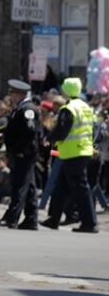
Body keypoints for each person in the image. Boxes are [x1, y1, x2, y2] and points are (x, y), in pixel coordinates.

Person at [41, 77, 99, 233]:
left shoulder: (69, 109)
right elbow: (93, 128)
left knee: (81, 188)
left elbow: (62, 129)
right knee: (62, 186)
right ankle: (54, 219)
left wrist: (49, 138)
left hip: (73, 152)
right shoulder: (85, 107)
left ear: (66, 91)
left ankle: (90, 223)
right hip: (82, 151)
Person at [0, 79, 40, 230]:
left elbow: (30, 131)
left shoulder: (27, 108)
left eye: (12, 93)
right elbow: (18, 130)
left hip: (24, 154)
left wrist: (19, 149)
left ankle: (12, 218)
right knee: (30, 187)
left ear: (19, 94)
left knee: (19, 186)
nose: (11, 96)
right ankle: (31, 219)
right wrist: (5, 137)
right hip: (22, 152)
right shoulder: (20, 108)